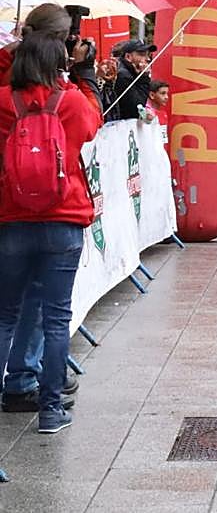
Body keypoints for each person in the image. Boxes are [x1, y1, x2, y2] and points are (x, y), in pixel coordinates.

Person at [0, 33, 103, 433]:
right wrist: (77, 75)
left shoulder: (5, 102)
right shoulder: (71, 101)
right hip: (64, 218)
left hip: (12, 217)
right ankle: (50, 412)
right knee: (57, 318)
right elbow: (94, 124)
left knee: (5, 316)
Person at [111, 38, 155, 121]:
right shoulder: (123, 75)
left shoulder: (130, 72)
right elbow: (136, 107)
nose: (147, 59)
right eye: (142, 54)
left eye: (147, 54)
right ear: (128, 57)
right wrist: (144, 77)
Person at [145, 79, 170, 147]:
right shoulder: (146, 113)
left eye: (167, 94)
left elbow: (163, 138)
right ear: (152, 95)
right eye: (163, 93)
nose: (166, 97)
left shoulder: (163, 114)